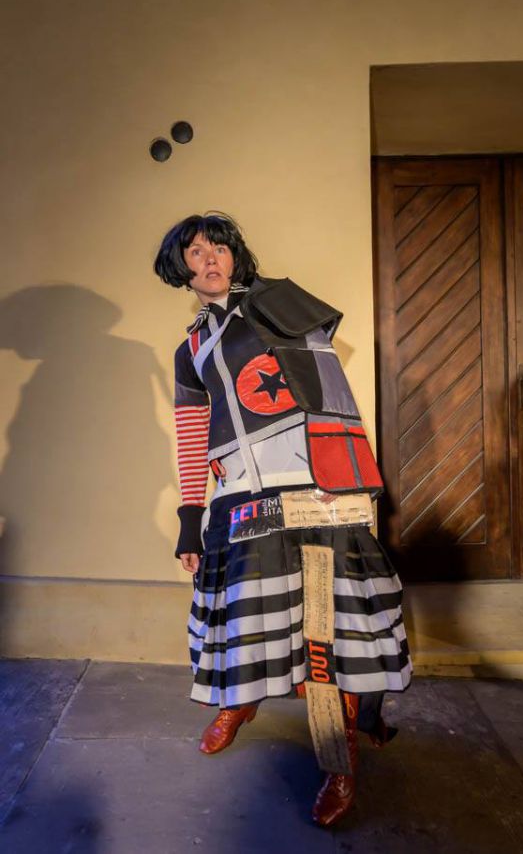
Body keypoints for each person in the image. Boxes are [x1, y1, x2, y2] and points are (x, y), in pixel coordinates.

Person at [155, 213, 412, 825]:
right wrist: (191, 516)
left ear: (236, 257)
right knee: (244, 617)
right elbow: (192, 435)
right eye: (197, 251)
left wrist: (345, 480)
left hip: (313, 490)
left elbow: (328, 383)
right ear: (181, 268)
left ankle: (339, 761)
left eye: (220, 248)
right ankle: (240, 702)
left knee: (327, 635)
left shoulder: (274, 308)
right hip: (241, 498)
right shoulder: (191, 349)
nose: (211, 259)